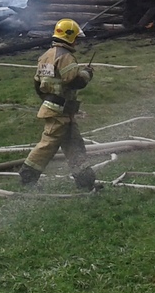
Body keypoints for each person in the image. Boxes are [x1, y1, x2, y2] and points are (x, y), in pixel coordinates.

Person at [20, 18, 100, 191]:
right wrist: (87, 73)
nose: (77, 41)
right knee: (48, 144)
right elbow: (74, 82)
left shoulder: (45, 56)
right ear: (70, 37)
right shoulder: (65, 57)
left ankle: (85, 181)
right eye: (76, 38)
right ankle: (28, 175)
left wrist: (48, 100)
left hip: (56, 108)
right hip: (59, 111)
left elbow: (37, 83)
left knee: (74, 144)